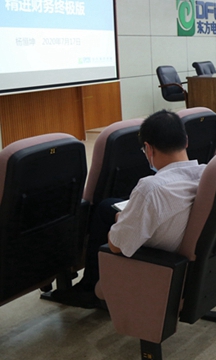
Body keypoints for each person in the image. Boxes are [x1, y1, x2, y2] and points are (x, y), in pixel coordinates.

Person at [56, 110, 205, 308]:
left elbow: (117, 246)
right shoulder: (206, 174)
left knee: (108, 217)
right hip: (186, 252)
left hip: (157, 262)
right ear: (186, 141)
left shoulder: (151, 188)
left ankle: (90, 289)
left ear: (148, 148)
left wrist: (121, 219)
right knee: (107, 207)